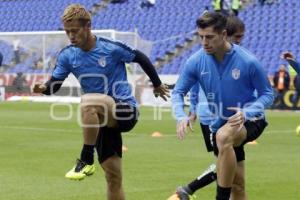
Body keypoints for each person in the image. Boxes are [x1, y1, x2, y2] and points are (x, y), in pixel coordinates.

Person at [32, 4, 169, 200]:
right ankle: (90, 159)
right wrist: (43, 88)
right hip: (100, 121)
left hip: (124, 110)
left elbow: (141, 57)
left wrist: (156, 84)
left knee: (88, 101)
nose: (71, 36)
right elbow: (54, 85)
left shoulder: (110, 48)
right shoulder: (67, 55)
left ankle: (86, 158)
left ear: (88, 26)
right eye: (67, 31)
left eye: (75, 31)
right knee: (113, 177)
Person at [171, 11, 273, 200]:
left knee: (224, 136)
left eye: (209, 37)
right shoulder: (195, 61)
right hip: (218, 123)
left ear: (224, 34)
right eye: (200, 37)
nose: (204, 42)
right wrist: (181, 115)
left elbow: (268, 94)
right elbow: (177, 92)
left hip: (250, 118)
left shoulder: (248, 61)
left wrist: (246, 112)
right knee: (238, 184)